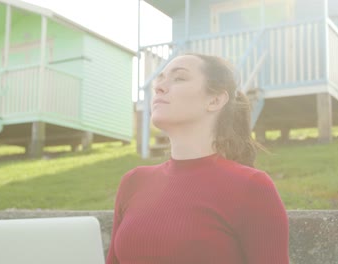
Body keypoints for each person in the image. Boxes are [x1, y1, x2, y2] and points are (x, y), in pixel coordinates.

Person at [106, 53, 289, 264]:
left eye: (179, 78)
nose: (159, 87)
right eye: (161, 78)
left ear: (215, 100)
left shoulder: (252, 187)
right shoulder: (134, 182)